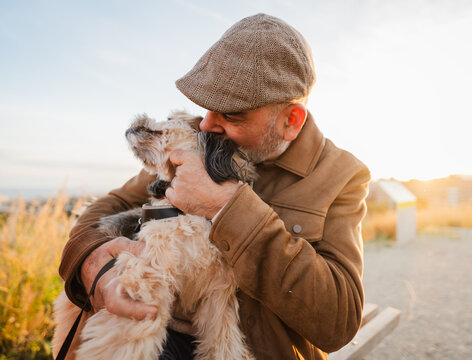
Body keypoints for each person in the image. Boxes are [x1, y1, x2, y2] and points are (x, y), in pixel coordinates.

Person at [59, 13, 371, 360]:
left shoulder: (343, 175)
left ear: (290, 121)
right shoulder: (196, 136)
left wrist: (227, 206)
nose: (207, 124)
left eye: (232, 115)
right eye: (207, 108)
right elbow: (103, 211)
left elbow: (339, 323)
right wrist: (92, 266)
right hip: (159, 334)